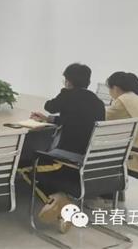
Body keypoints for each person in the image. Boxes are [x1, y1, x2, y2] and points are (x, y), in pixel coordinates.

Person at [18, 63, 105, 233]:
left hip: (67, 157)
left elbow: (49, 106)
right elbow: (76, 121)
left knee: (24, 166)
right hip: (87, 158)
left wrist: (65, 91)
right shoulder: (97, 102)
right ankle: (60, 196)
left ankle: (61, 203)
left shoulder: (68, 95)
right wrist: (48, 119)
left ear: (68, 81)